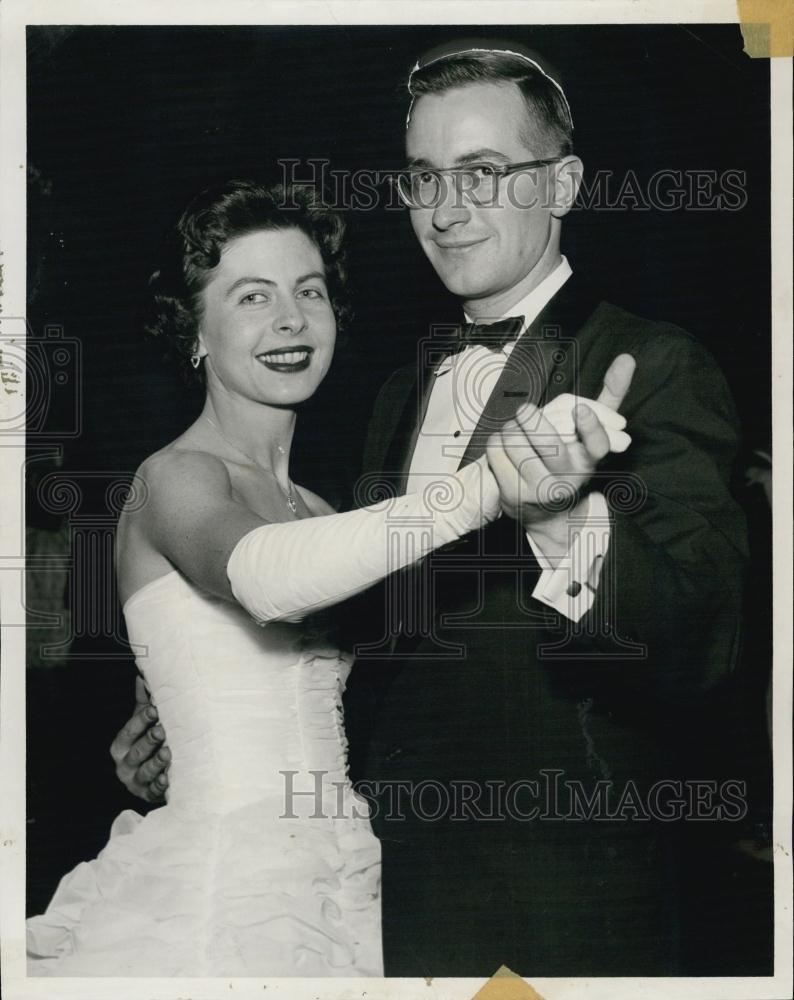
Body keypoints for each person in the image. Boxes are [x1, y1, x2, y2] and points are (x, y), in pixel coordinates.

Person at [109, 48, 747, 977]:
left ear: (562, 182)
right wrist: (187, 717)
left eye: (484, 173)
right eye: (424, 179)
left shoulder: (651, 363)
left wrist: (570, 527)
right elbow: (362, 635)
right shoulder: (392, 402)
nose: (446, 211)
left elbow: (710, 642)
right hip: (378, 903)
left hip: (555, 902)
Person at [26, 178, 513, 976]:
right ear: (195, 331)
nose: (290, 320)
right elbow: (261, 577)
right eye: (252, 296)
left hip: (340, 871)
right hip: (226, 885)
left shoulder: (320, 508)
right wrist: (494, 481)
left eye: (309, 291)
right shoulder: (174, 477)